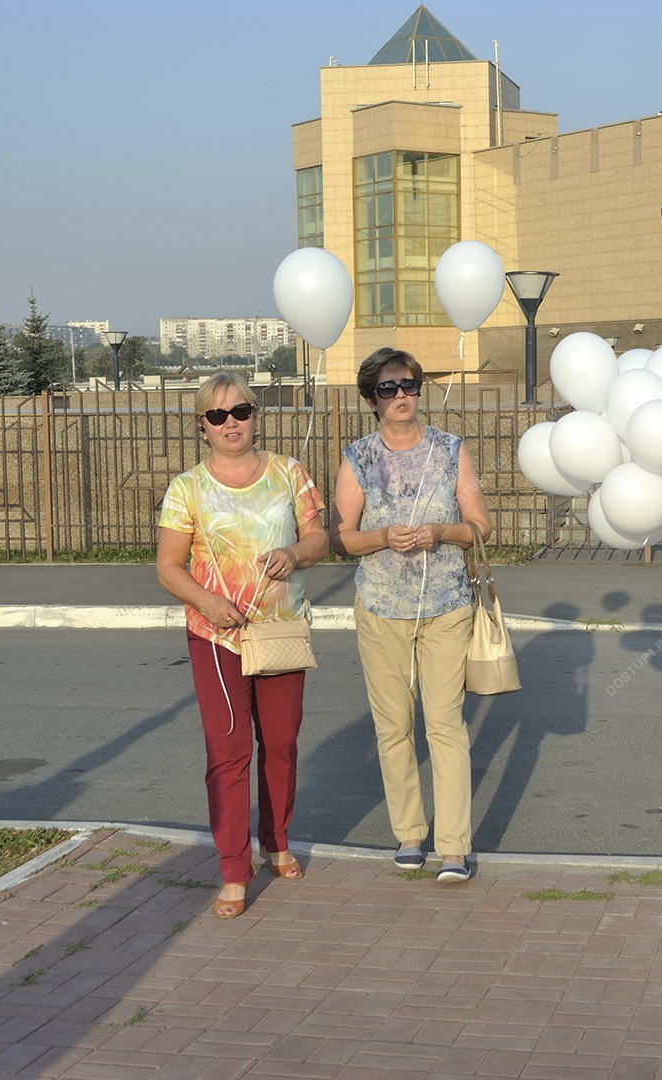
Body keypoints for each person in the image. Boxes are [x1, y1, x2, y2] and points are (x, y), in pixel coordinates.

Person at [156, 372, 328, 919]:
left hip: (279, 631)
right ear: (202, 427)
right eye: (217, 415)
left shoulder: (289, 473)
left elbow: (319, 538)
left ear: (256, 415)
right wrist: (207, 602)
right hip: (217, 636)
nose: (230, 423)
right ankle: (234, 867)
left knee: (280, 743)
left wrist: (295, 554)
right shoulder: (187, 488)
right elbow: (168, 567)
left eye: (240, 411)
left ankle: (276, 840)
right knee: (228, 750)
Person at [330, 347, 492, 884]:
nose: (401, 396)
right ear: (371, 399)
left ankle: (454, 847)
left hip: (446, 605)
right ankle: (409, 835)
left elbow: (480, 526)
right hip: (381, 608)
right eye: (388, 388)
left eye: (409, 385)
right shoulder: (358, 457)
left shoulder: (450, 450)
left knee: (445, 725)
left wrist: (442, 532)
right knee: (394, 727)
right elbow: (341, 538)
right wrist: (382, 536)